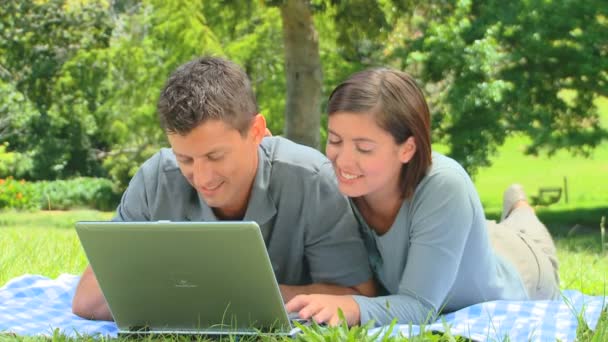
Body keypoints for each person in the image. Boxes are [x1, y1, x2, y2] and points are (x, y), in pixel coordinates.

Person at [71, 56, 375, 321]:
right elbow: (88, 300)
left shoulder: (312, 180)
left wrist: (230, 297)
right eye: (185, 159)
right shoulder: (156, 179)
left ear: (256, 132)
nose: (202, 177)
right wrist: (217, 300)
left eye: (215, 156)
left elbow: (356, 294)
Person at [285, 67, 560, 327]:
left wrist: (352, 307)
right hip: (460, 240)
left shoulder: (445, 185)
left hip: (525, 268)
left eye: (364, 148)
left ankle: (520, 206)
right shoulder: (337, 186)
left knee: (525, 229)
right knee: (487, 234)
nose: (342, 160)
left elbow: (419, 307)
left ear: (407, 149)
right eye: (334, 141)